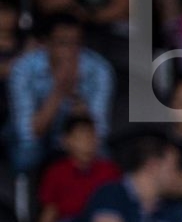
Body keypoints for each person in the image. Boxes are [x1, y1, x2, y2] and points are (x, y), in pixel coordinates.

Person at [8, 12, 113, 173]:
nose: (71, 51)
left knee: (102, 157)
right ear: (46, 43)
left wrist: (76, 98)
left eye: (76, 43)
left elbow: (98, 131)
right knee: (26, 155)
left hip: (77, 137)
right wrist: (59, 90)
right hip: (40, 138)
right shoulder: (23, 70)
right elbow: (28, 133)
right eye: (63, 43)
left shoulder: (98, 70)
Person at [36, 114, 119, 222]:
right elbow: (50, 210)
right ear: (66, 141)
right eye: (80, 137)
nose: (88, 142)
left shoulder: (109, 170)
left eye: (91, 136)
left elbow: (119, 204)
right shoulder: (56, 172)